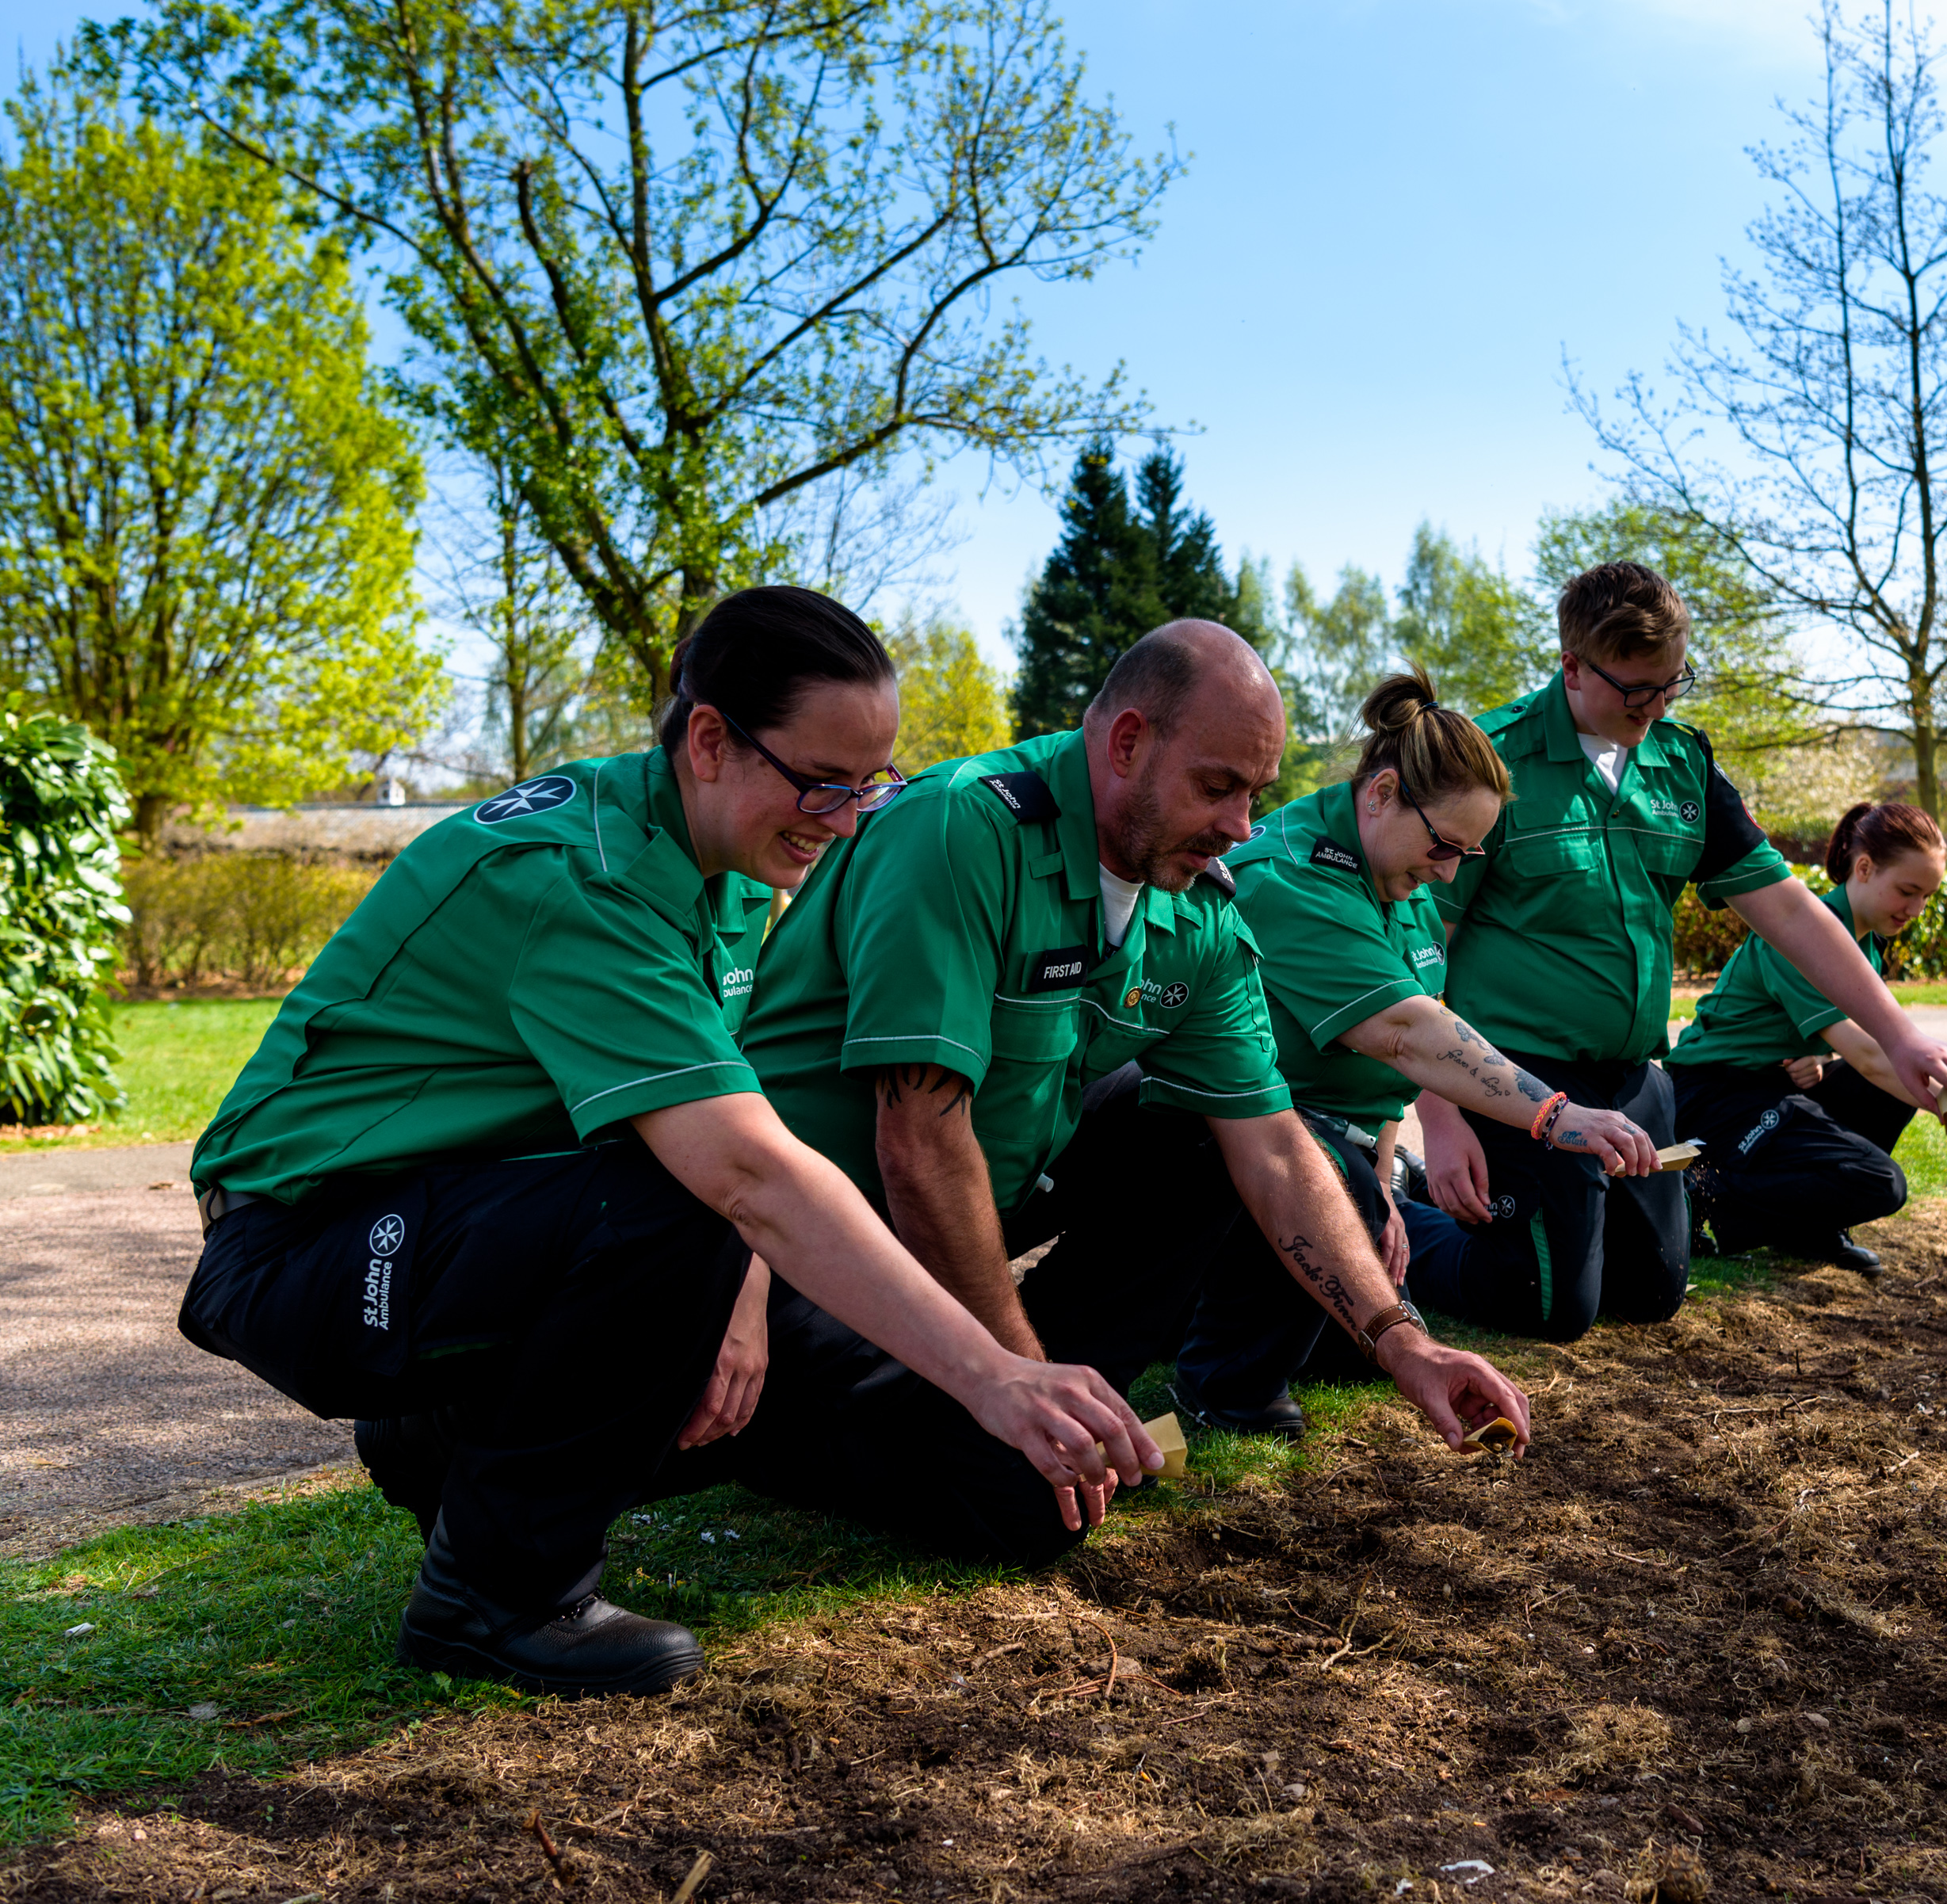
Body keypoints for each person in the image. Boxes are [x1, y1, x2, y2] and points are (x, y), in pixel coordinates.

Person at [178, 587, 1164, 1698]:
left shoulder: (728, 871)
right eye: (823, 782)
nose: (845, 819)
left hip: (476, 1214)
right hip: (308, 1249)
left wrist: (748, 1301)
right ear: (710, 739)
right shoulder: (578, 880)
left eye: (870, 783)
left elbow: (723, 1131)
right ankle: (494, 1595)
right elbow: (742, 1166)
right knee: (690, 1207)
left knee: (831, 1367)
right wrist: (994, 1369)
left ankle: (447, 1442)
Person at [675, 620, 1529, 1486]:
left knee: (1223, 1136)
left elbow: (1271, 1146)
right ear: (1126, 743)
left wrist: (1402, 1341)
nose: (1241, 826)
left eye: (1256, 793)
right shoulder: (960, 831)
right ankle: (858, 1423)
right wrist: (1014, 1376)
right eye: (1218, 787)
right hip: (801, 1244)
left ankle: (1053, 1396)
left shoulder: (1194, 903)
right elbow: (919, 1147)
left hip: (986, 1212)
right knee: (1017, 1500)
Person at [1417, 561, 1947, 1341]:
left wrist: (1899, 1035)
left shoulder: (1683, 762)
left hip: (1634, 1075)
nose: (1654, 707)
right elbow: (1415, 948)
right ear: (1572, 666)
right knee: (1545, 1307)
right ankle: (1405, 1213)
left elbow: (1788, 909)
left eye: (1672, 685)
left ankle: (1555, 1217)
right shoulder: (1490, 764)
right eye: (1635, 689)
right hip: (1516, 1073)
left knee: (1650, 1292)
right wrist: (1441, 1116)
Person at [1193, 670, 1662, 1425]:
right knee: (1330, 1209)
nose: (1448, 871)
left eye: (1467, 856)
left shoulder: (1393, 878)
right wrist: (1553, 1115)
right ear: (1380, 794)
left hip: (1328, 1142)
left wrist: (1383, 1191)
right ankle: (1218, 1379)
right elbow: (1406, 1034)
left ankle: (1239, 1292)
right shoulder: (1292, 876)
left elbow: (1375, 1074)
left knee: (1361, 1343)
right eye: (1444, 844)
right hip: (1228, 1137)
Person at [1667, 799, 1947, 1270]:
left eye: (1927, 897)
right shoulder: (1804, 936)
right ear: (1865, 868)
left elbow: (1875, 1059)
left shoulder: (1863, 943)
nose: (1917, 909)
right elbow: (1874, 1056)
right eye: (1908, 891)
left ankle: (1812, 1228)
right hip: (1712, 1098)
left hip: (1770, 1088)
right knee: (1878, 1182)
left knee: (1890, 1092)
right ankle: (1697, 1199)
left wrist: (1821, 1063)